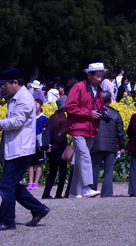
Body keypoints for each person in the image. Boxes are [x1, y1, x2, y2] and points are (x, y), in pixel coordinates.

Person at [0, 68, 50, 231]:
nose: (2, 88)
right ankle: (38, 209)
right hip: (17, 149)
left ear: (15, 83)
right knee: (12, 185)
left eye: (4, 85)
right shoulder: (15, 97)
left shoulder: (24, 98)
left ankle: (7, 220)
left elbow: (17, 122)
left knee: (5, 186)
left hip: (20, 150)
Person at [64, 62, 107, 198]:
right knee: (84, 156)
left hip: (91, 129)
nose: (100, 79)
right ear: (89, 75)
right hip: (77, 129)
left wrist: (103, 113)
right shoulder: (78, 87)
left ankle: (73, 192)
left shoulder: (97, 91)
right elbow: (69, 107)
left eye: (101, 77)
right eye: (98, 76)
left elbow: (101, 107)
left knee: (79, 161)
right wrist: (89, 113)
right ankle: (87, 188)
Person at [90, 92, 126, 197]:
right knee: (109, 170)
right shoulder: (116, 114)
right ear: (110, 100)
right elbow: (120, 132)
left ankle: (92, 191)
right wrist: (121, 146)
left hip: (96, 145)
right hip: (111, 146)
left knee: (94, 169)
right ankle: (107, 193)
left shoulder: (95, 113)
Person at [41, 98, 70, 200]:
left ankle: (46, 193)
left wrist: (49, 147)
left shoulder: (52, 117)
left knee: (52, 171)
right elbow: (60, 136)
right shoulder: (64, 118)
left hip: (51, 147)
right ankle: (58, 194)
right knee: (63, 171)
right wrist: (54, 147)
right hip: (59, 147)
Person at [27, 101, 48, 191]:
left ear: (41, 106)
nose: (34, 106)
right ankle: (30, 182)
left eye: (36, 104)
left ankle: (36, 182)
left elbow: (46, 132)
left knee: (38, 163)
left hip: (39, 145)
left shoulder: (44, 118)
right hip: (30, 143)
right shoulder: (29, 117)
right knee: (30, 164)